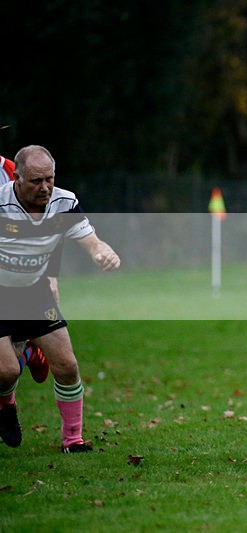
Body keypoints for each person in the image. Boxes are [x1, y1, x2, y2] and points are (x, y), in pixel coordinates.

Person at [0, 145, 121, 452]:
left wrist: (101, 252)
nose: (45, 188)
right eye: (36, 181)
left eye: (49, 179)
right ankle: (7, 404)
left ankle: (73, 440)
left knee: (67, 366)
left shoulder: (64, 202)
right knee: (7, 371)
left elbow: (89, 239)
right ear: (18, 177)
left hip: (33, 292)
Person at [0, 153, 52, 384]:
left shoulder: (11, 171)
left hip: (12, 281)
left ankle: (30, 350)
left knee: (7, 368)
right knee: (5, 369)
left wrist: (52, 276)